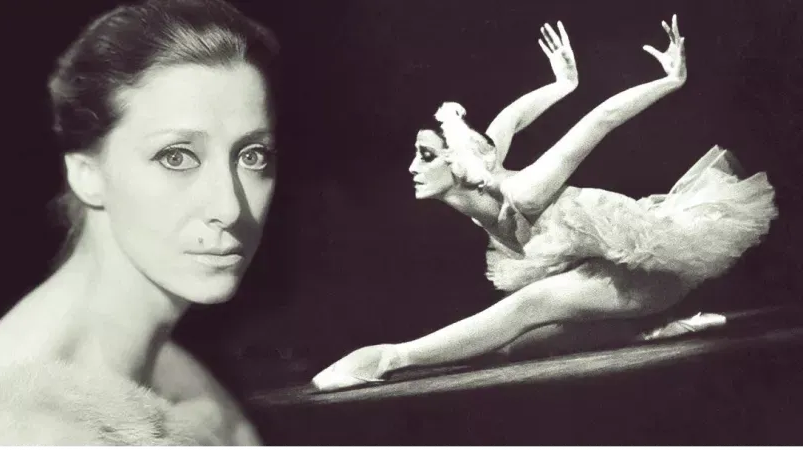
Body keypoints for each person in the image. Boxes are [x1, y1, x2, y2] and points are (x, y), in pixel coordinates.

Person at [311, 16, 778, 392]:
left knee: (527, 305)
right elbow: (512, 116)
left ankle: (388, 358)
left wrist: (670, 81)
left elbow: (601, 119)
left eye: (426, 154)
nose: (413, 165)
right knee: (514, 347)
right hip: (607, 280)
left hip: (652, 274)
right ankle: (653, 330)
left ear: (458, 164)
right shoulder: (483, 169)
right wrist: (562, 84)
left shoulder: (525, 191)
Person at [0, 0, 280, 446]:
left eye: (252, 155)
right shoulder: (22, 423)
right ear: (87, 175)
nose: (230, 209)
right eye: (176, 157)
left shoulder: (171, 371)